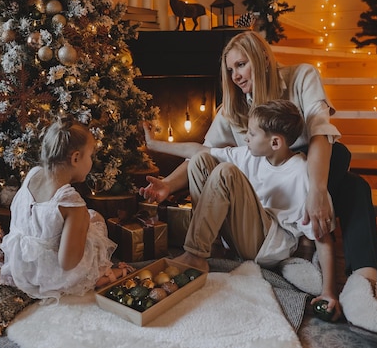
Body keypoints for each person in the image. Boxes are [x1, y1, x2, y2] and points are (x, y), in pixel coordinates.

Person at [139, 31, 377, 341]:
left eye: (241, 65)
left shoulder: (301, 78)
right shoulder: (234, 110)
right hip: (253, 205)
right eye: (229, 70)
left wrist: (317, 191)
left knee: (351, 179)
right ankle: (204, 252)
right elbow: (202, 152)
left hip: (302, 182)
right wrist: (167, 182)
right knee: (209, 165)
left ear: (262, 59)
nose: (235, 76)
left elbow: (320, 135)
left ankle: (363, 279)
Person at [144, 99, 342, 320]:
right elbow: (198, 149)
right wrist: (153, 144)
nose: (246, 138)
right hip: (243, 235)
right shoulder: (251, 155)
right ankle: (209, 247)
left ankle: (195, 254)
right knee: (200, 160)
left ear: (275, 142)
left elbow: (324, 238)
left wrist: (329, 292)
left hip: (266, 246)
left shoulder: (300, 173)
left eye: (252, 134)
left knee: (226, 172)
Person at [0, 116, 133, 302]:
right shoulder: (70, 202)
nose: (91, 162)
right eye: (90, 156)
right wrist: (85, 222)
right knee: (96, 219)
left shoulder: (33, 174)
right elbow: (68, 263)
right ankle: (98, 276)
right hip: (50, 275)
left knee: (83, 221)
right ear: (76, 158)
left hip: (21, 265)